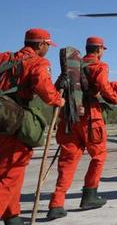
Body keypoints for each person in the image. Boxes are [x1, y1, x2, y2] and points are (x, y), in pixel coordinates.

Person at [48, 37, 117, 220]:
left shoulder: (72, 67)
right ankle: (89, 195)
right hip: (91, 119)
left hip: (70, 118)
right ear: (98, 50)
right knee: (99, 156)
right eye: (103, 49)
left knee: (67, 162)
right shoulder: (99, 66)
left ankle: (56, 204)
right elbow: (104, 87)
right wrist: (116, 99)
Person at [0, 29, 65, 225]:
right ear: (40, 45)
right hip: (15, 123)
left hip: (2, 121)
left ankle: (12, 216)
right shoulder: (38, 62)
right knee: (11, 174)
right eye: (47, 45)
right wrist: (58, 101)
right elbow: (45, 89)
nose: (47, 49)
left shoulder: (5, 58)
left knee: (9, 171)